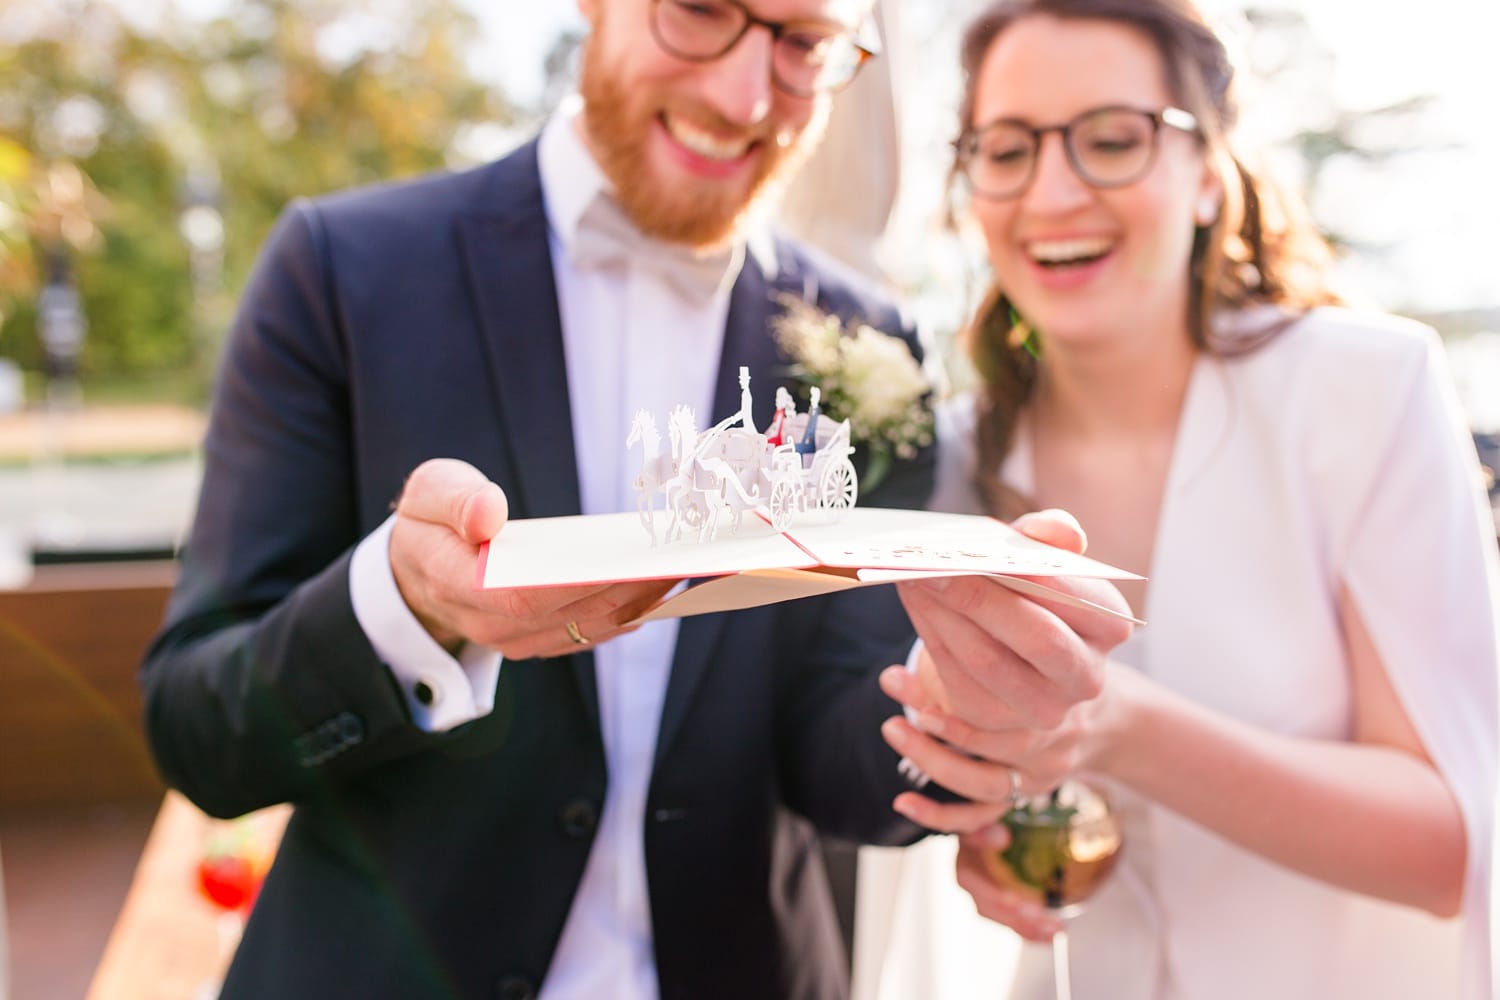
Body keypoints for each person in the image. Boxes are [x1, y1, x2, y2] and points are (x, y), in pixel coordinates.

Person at [138, 1, 1130, 998]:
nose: (745, 96)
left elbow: (844, 764)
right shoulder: (339, 270)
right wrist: (409, 609)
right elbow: (197, 730)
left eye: (804, 45)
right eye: (700, 10)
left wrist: (955, 699)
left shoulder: (874, 344)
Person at [872, 1, 1500, 998]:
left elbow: (1456, 844)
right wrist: (991, 841)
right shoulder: (951, 463)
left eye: (1112, 141)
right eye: (1006, 149)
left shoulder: (1366, 389)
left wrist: (1117, 725)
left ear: (1210, 171)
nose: (1053, 191)